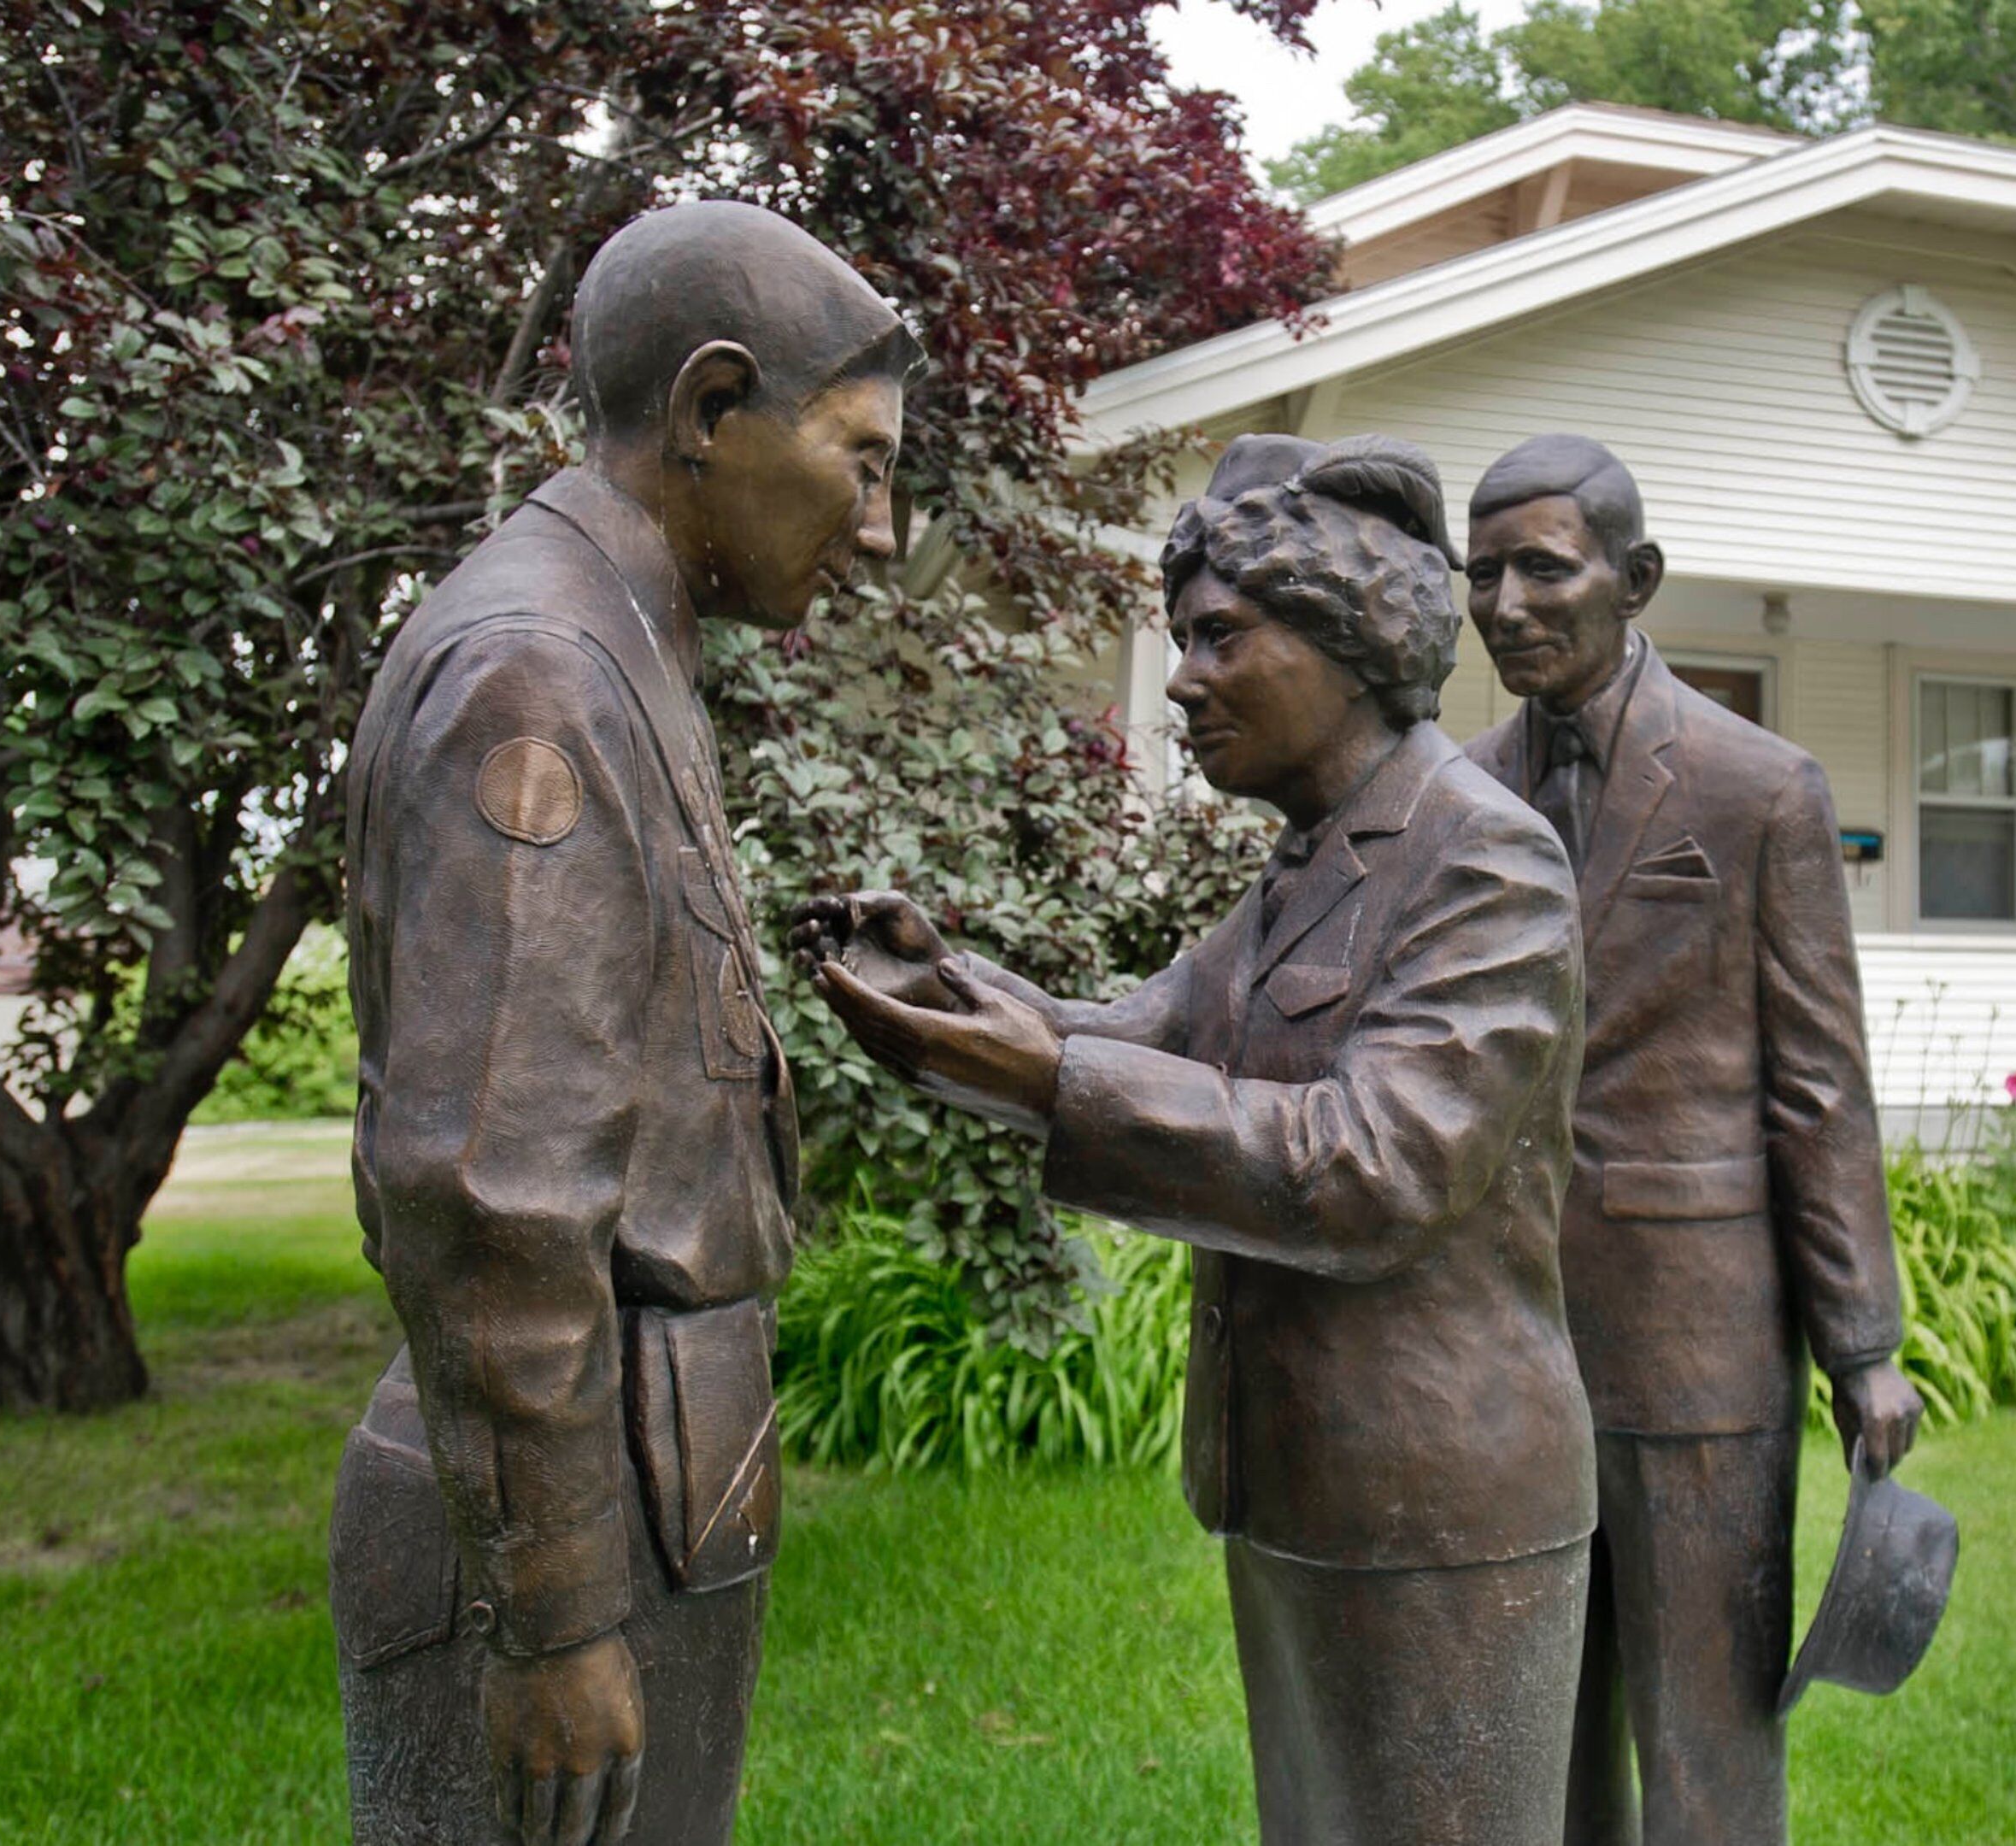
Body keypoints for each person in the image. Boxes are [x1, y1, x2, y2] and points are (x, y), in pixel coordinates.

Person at [794, 433, 1597, 1846]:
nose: (1182, 681)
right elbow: (1141, 1033)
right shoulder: (1313, 859)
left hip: (1442, 1509)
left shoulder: (1485, 855)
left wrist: (1047, 1081)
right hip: (1306, 1488)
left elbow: (1379, 1164)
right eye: (1181, 640)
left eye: (1220, 637)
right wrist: (952, 994)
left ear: (1350, 636)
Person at [331, 199, 915, 1846]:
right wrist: (560, 1610)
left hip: (657, 1470)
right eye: (861, 461)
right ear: (711, 410)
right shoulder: (544, 672)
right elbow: (490, 1188)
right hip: (583, 1515)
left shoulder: (613, 640)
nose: (879, 528)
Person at [1460, 433, 1920, 1846]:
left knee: (1707, 1723)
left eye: (1544, 567)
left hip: (1699, 1334)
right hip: (1503, 1332)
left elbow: (1819, 1087)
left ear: (1635, 578)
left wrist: (1863, 1345)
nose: (1505, 602)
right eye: (1482, 573)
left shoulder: (1756, 787)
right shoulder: (1458, 791)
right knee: (1546, 1708)